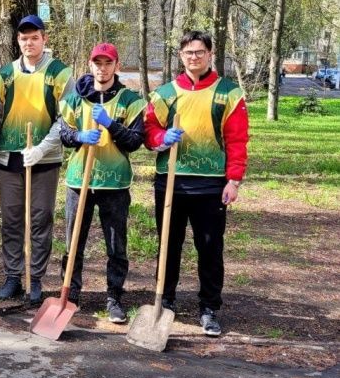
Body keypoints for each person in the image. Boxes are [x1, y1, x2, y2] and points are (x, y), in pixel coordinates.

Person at [144, 30, 249, 337]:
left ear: (209, 54)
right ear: (181, 56)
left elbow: (237, 139)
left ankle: (209, 308)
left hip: (211, 186)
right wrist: (162, 139)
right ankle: (165, 300)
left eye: (199, 52)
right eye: (189, 52)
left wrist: (234, 180)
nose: (194, 57)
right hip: (171, 183)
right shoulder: (165, 94)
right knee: (168, 246)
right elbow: (149, 130)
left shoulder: (227, 93)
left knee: (210, 248)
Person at [0, 15, 74, 306]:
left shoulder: (60, 73)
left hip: (44, 160)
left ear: (44, 39)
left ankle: (34, 278)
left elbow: (66, 118)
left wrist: (42, 147)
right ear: (18, 41)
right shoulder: (4, 75)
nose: (29, 42)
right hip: (9, 158)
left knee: (40, 219)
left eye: (34, 37)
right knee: (12, 220)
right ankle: (13, 276)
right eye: (24, 38)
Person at [58, 43, 144, 323]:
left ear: (116, 66)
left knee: (116, 246)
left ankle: (114, 298)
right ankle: (69, 296)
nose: (102, 68)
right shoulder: (75, 98)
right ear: (90, 64)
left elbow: (134, 142)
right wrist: (80, 136)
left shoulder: (130, 100)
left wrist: (111, 124)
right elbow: (64, 133)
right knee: (73, 244)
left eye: (108, 63)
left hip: (115, 184)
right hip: (78, 180)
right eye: (98, 63)